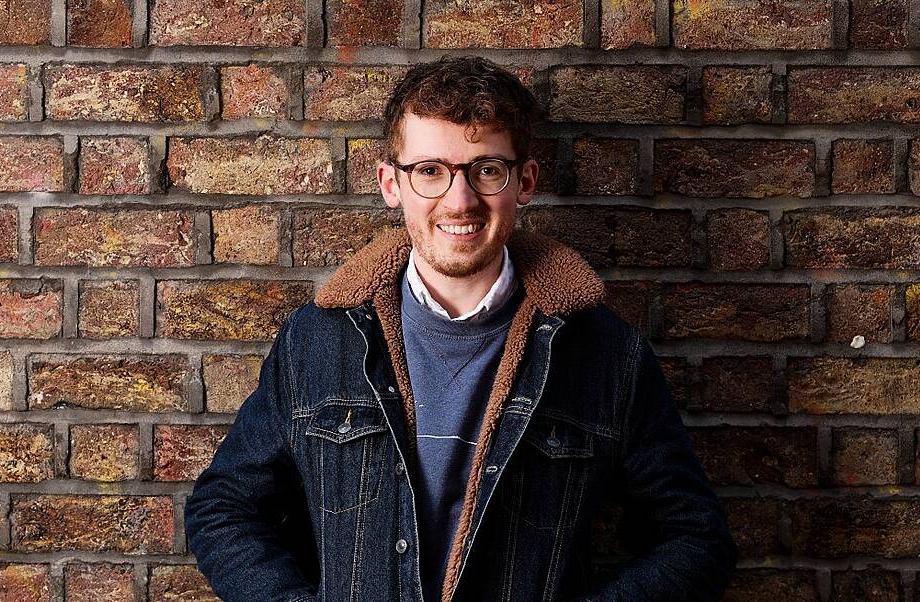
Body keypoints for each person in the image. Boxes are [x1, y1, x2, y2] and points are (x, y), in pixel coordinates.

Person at [183, 55, 737, 602]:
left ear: (524, 180)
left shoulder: (605, 355)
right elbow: (224, 508)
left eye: (486, 170)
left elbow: (695, 539)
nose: (461, 199)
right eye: (430, 171)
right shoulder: (318, 342)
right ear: (390, 184)